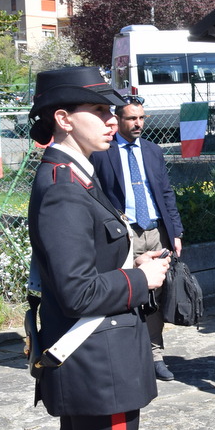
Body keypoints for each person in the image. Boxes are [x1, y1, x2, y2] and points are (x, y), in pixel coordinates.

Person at [27, 66, 170, 430]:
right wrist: (141, 278)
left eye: (114, 111)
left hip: (94, 364)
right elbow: (78, 290)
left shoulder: (77, 176)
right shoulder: (64, 188)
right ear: (63, 119)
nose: (113, 120)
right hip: (98, 366)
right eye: (100, 111)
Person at [91, 96, 184, 381]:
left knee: (156, 296)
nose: (138, 124)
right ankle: (126, 355)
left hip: (156, 232)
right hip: (124, 234)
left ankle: (155, 356)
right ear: (118, 119)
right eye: (132, 118)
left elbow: (166, 192)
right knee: (126, 293)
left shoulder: (152, 151)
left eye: (142, 118)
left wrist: (176, 232)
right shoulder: (102, 152)